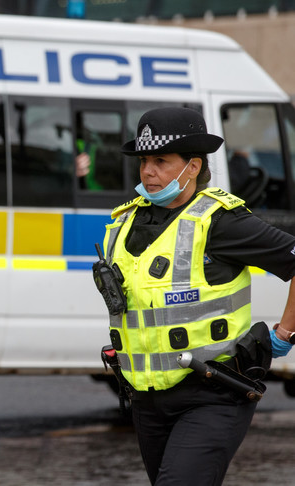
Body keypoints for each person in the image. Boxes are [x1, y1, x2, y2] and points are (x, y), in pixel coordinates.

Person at [99, 106, 295, 485]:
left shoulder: (221, 221)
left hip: (214, 392)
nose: (147, 171)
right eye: (143, 161)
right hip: (146, 398)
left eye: (160, 161)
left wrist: (284, 334)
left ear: (192, 166)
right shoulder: (126, 220)